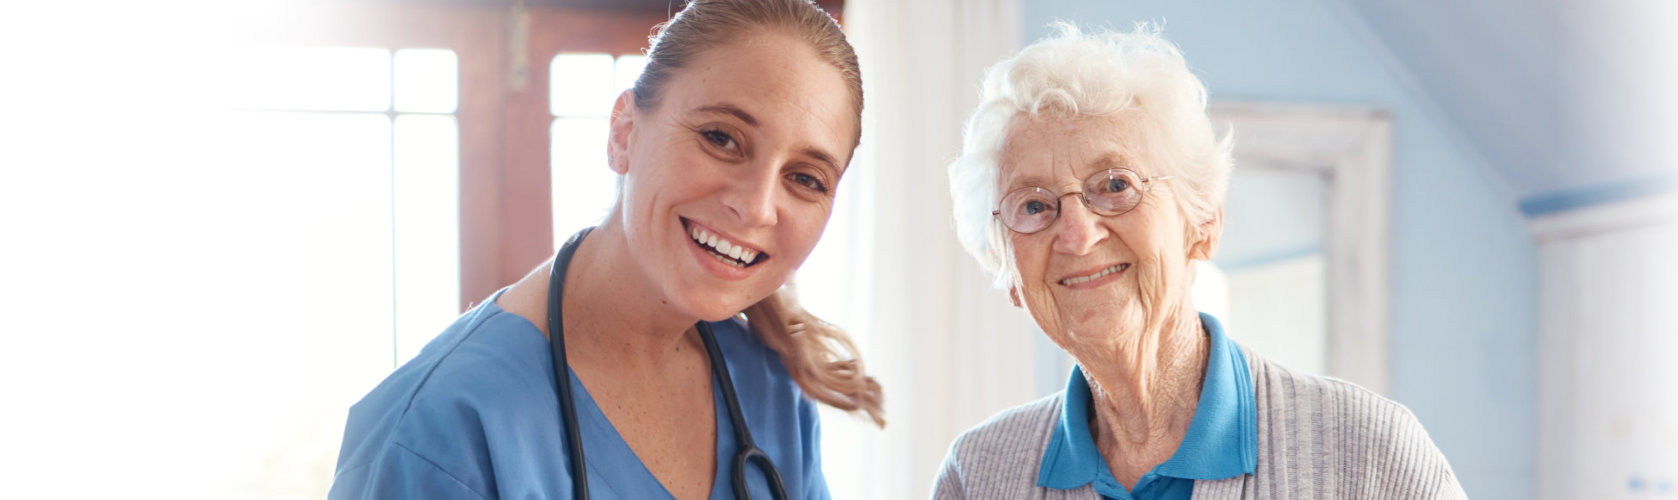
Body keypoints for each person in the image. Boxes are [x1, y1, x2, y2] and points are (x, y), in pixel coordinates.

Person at [329, 1, 881, 498]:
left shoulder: (768, 392)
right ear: (623, 132)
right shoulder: (439, 430)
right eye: (721, 138)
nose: (758, 207)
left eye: (805, 178)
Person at [933, 23, 1466, 499]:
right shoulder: (976, 476)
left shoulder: (1369, 458)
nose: (1076, 233)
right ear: (1008, 271)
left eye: (1116, 185)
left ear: (1203, 223)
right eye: (1033, 204)